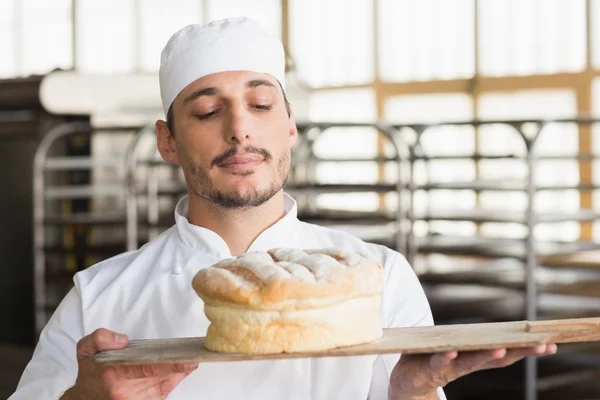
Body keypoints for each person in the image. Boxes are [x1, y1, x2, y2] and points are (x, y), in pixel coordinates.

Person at [10, 17, 556, 400]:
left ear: (289, 126)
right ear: (167, 142)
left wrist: (408, 393)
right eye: (206, 111)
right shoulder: (99, 296)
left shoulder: (378, 276)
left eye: (261, 103)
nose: (239, 127)